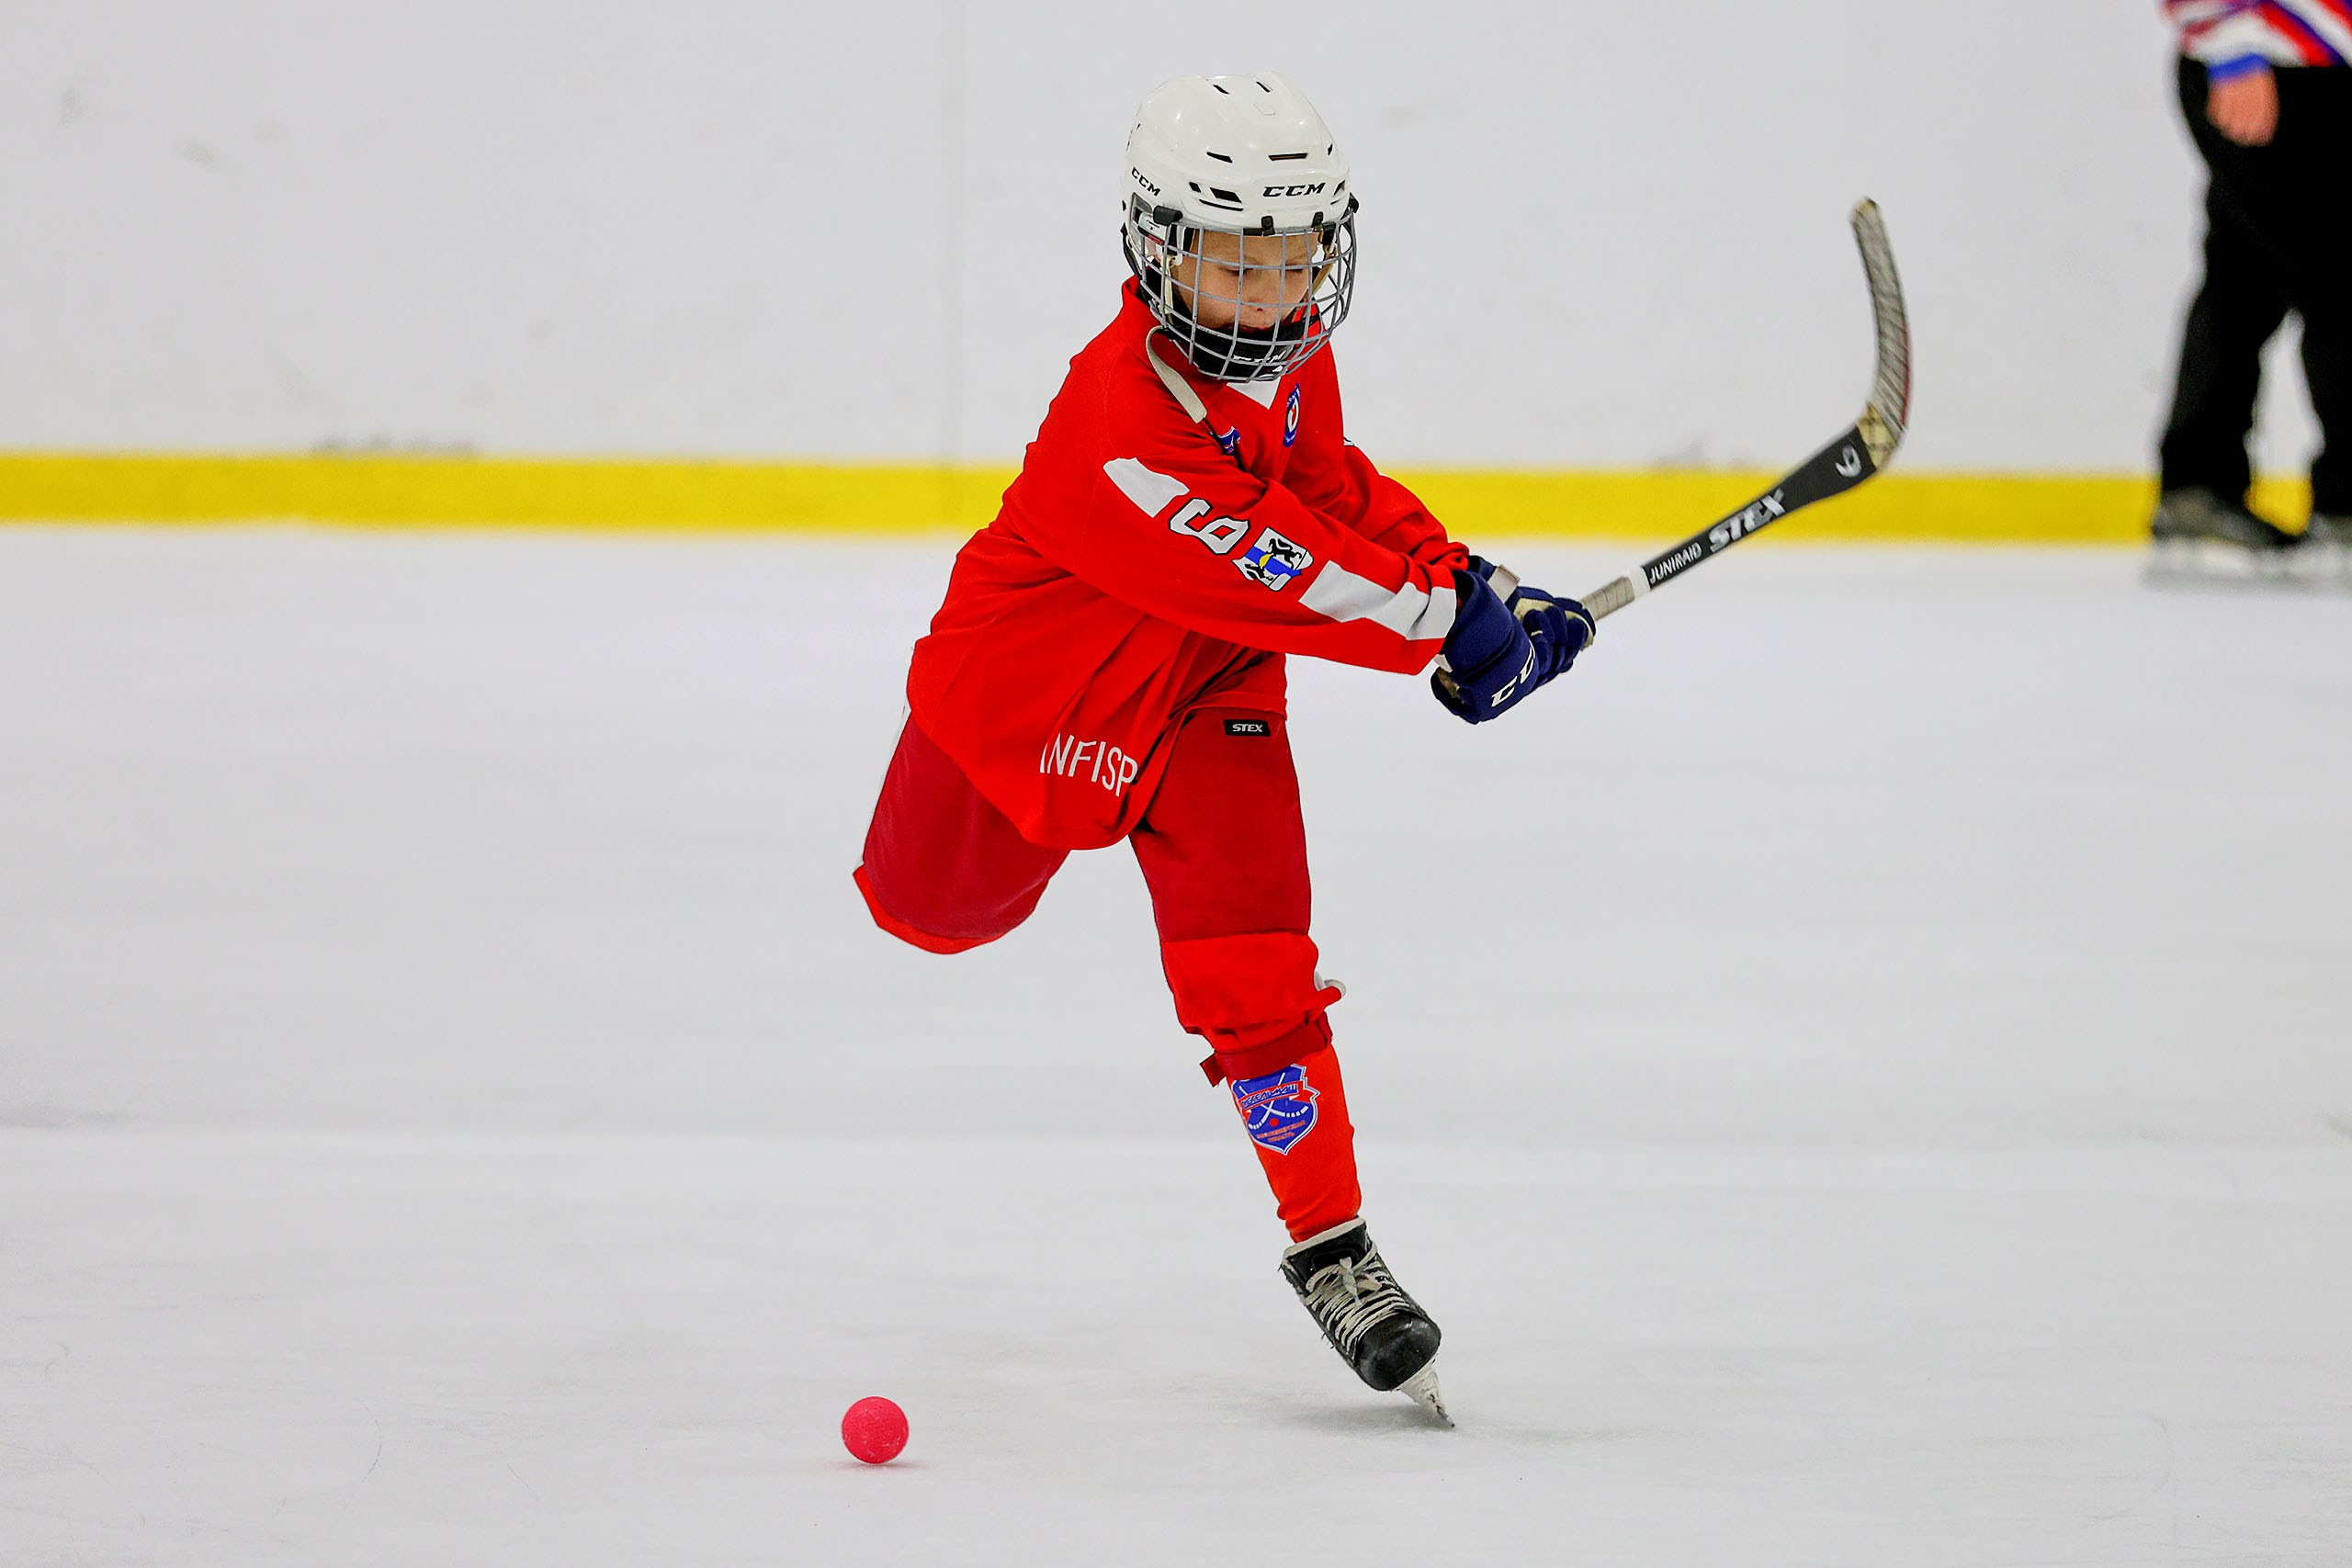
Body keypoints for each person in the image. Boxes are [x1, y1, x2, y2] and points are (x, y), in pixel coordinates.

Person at [853, 73, 1594, 1424]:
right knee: (925, 911)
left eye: (1295, 258)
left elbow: (1330, 497)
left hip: (1211, 694)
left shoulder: (1294, 356)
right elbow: (1293, 570)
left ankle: (1334, 1246)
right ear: (1158, 248)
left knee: (1256, 958)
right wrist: (1451, 623)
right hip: (1037, 699)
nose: (1269, 293)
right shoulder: (1121, 433)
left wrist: (1463, 573)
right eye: (1235, 261)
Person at [2154, 2, 2350, 553]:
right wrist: (2227, 44)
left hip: (2315, 70)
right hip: (2272, 67)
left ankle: (2197, 490)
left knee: (2246, 279)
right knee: (2339, 282)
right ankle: (2347, 504)